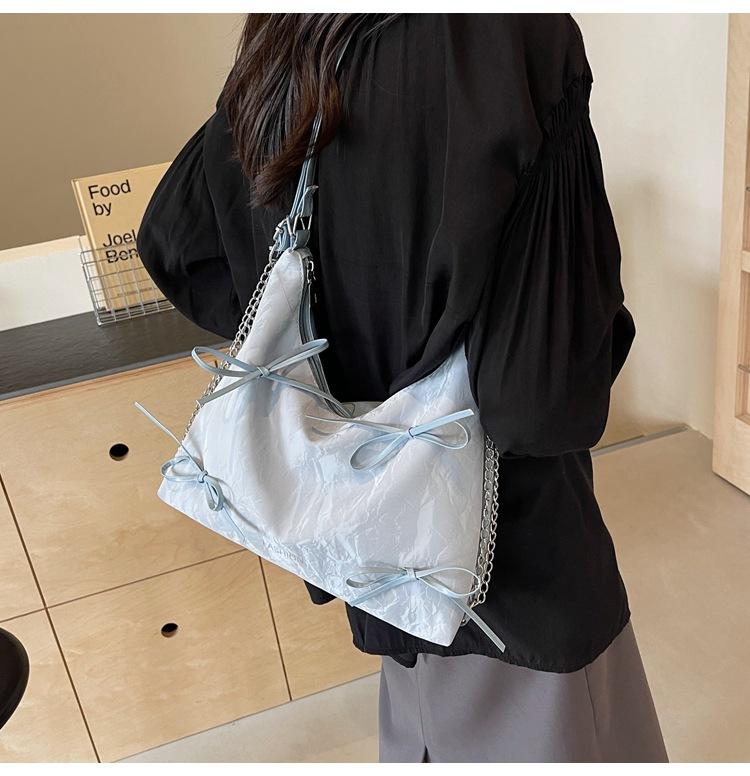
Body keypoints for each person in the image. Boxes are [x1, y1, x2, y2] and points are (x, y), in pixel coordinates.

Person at [137, 13, 668, 763]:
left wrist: (328, 361)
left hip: (372, 548)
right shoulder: (516, 37)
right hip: (511, 570)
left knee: (421, 735)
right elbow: (538, 405)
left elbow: (174, 244)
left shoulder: (290, 36)